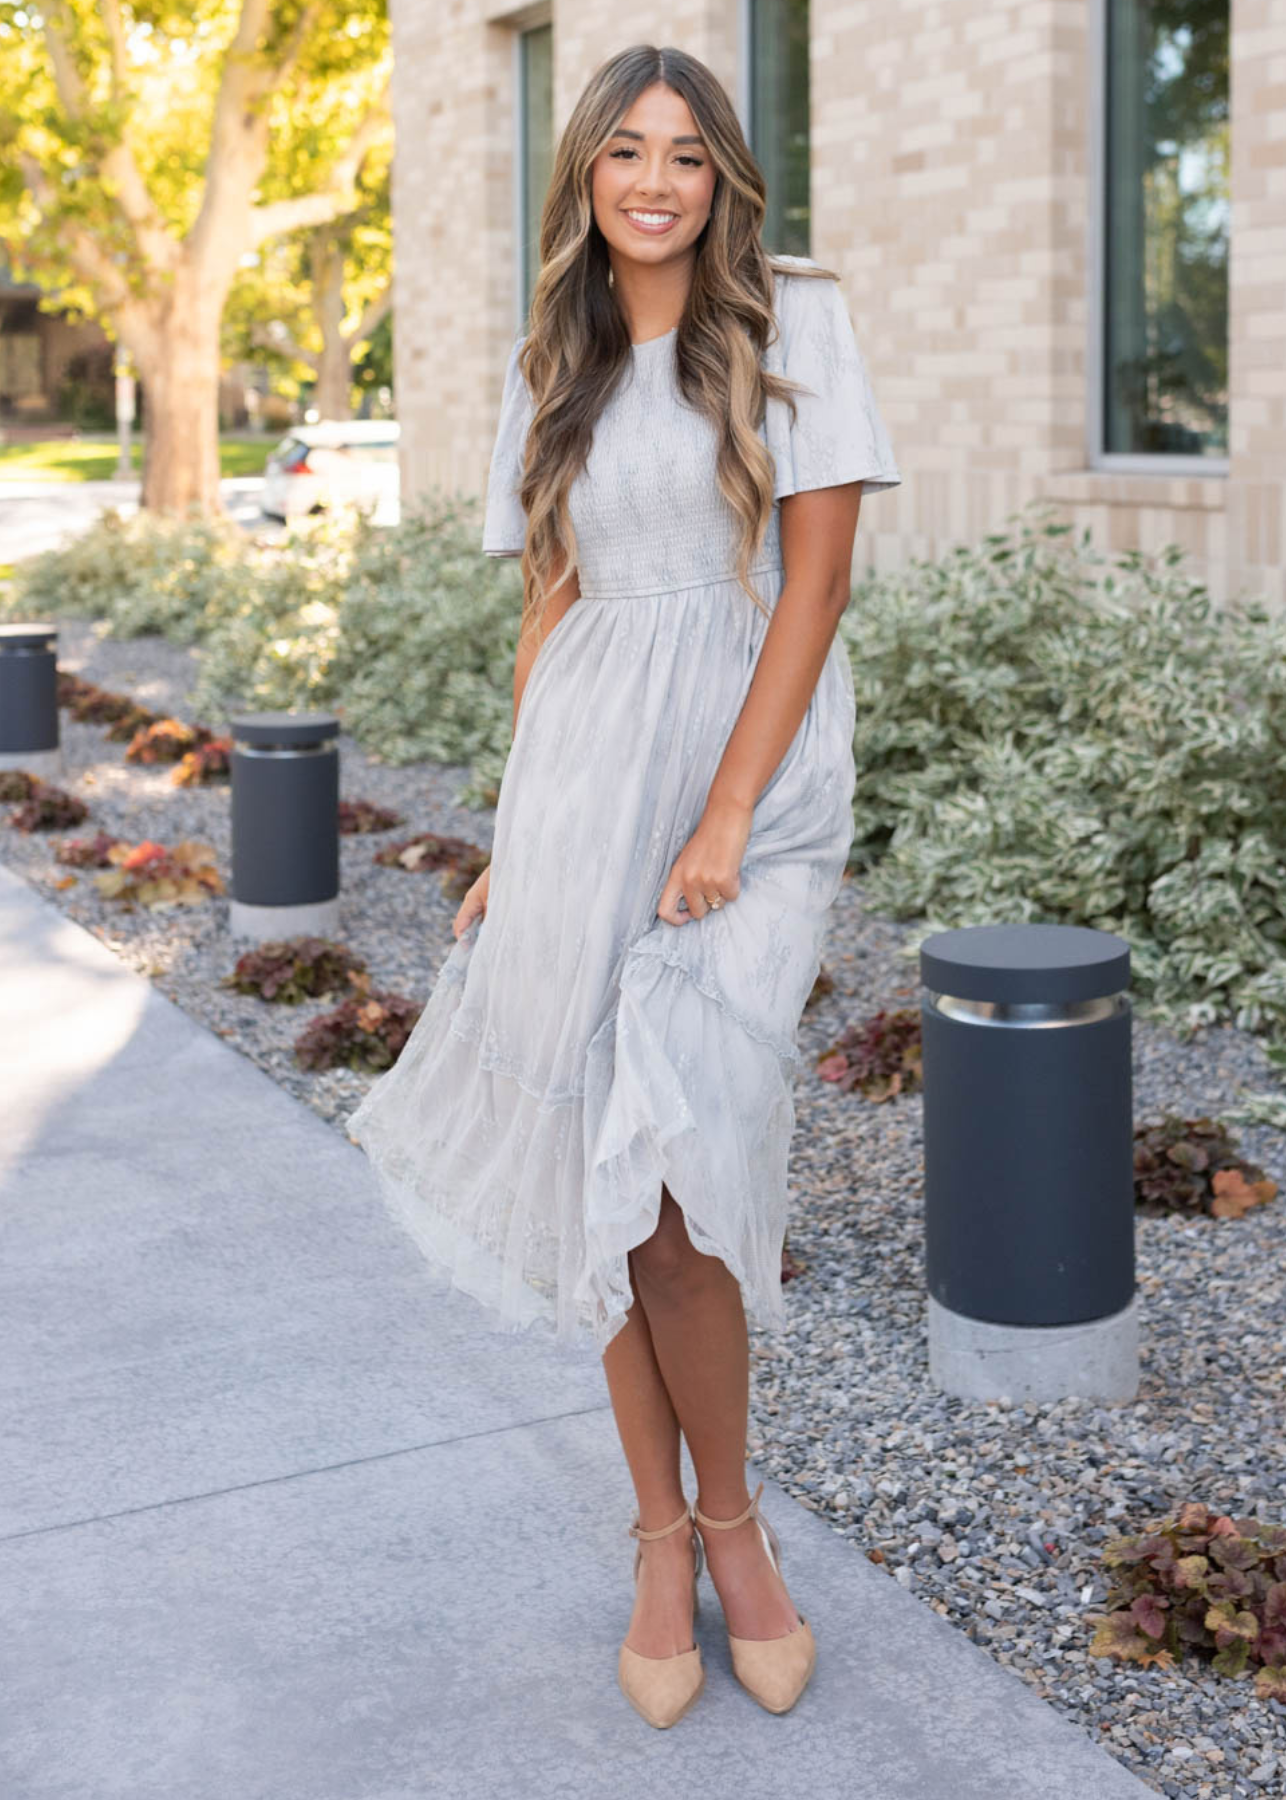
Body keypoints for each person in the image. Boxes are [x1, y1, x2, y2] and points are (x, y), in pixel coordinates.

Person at [345, 42, 901, 1730]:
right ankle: (662, 1539)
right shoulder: (555, 356)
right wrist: (521, 843)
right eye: (624, 156)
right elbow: (552, 607)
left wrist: (723, 819)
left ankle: (733, 1528)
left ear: (721, 177)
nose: (654, 183)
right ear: (583, 175)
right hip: (584, 782)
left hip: (744, 780)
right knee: (602, 1175)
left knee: (681, 1185)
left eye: (684, 156)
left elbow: (811, 593)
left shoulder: (789, 319)